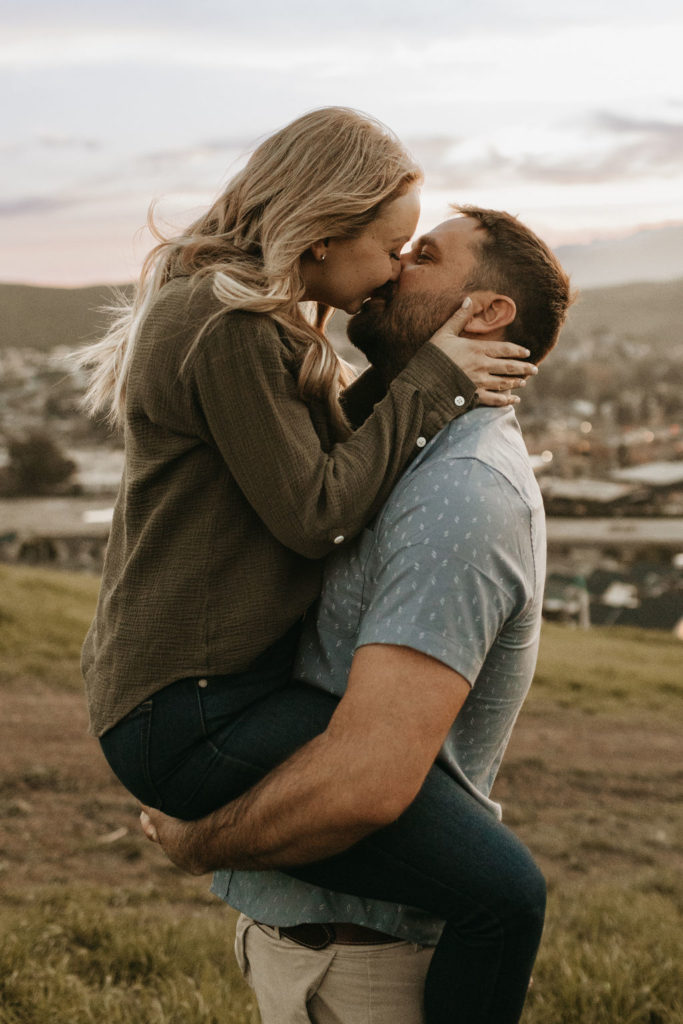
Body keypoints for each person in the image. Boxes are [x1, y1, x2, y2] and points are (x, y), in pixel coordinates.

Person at [140, 206, 575, 1024]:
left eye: (423, 256)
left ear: (483, 312)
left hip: (368, 977)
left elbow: (365, 782)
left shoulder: (462, 490)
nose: (389, 267)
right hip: (316, 954)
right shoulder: (396, 440)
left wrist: (196, 843)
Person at [78, 107, 534, 821]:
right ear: (323, 232)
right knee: (493, 885)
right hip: (186, 709)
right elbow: (316, 515)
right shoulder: (227, 324)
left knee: (402, 780)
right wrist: (432, 379)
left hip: (204, 691)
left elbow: (328, 451)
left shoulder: (247, 316)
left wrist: (414, 372)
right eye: (393, 247)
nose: (392, 273)